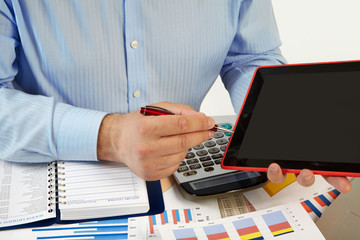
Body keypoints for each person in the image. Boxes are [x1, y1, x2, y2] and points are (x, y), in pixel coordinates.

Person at [0, 0, 351, 192]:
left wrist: (280, 122)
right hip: (48, 184)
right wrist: (110, 136)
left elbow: (249, 58)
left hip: (182, 179)